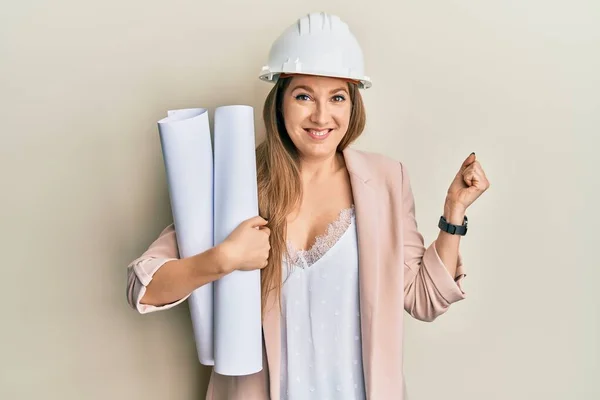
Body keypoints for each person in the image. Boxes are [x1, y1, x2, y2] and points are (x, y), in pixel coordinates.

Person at [126, 12, 490, 400]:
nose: (321, 116)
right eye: (304, 96)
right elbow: (142, 287)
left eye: (337, 97)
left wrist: (453, 213)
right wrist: (224, 258)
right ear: (280, 101)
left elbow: (424, 298)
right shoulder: (239, 184)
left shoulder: (386, 180)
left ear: (353, 105)